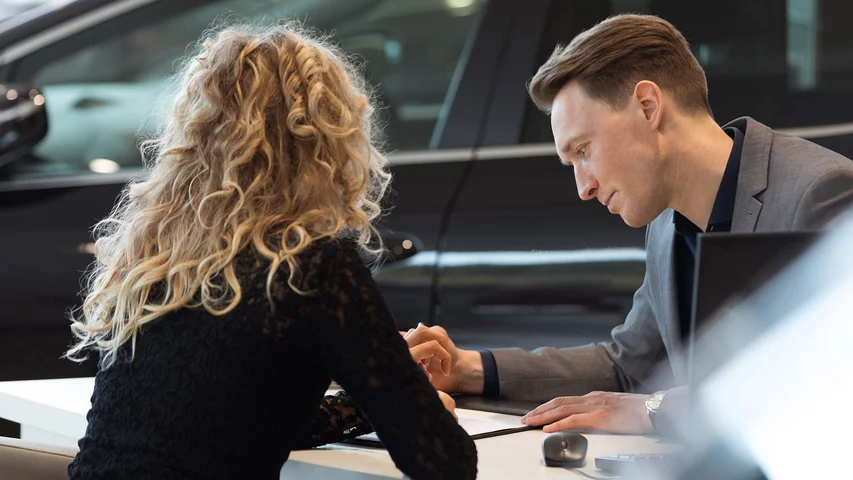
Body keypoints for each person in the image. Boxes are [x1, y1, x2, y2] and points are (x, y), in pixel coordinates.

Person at [405, 13, 853, 438]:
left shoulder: (821, 192)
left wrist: (656, 409)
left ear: (647, 106)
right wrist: (468, 368)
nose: (583, 187)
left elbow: (829, 384)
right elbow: (627, 366)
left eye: (584, 151)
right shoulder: (666, 222)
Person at [65, 23, 476, 480]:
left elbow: (233, 423)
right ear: (328, 141)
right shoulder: (313, 267)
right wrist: (397, 385)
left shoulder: (155, 253)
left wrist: (374, 388)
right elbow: (445, 462)